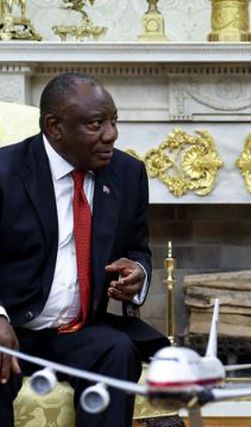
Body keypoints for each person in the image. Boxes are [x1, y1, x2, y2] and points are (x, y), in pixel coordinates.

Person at [0, 72, 169, 427]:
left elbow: (138, 250)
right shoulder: (6, 171)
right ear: (55, 127)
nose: (111, 134)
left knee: (117, 351)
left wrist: (137, 273)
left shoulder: (128, 174)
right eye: (96, 124)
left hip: (78, 330)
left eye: (113, 121)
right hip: (11, 325)